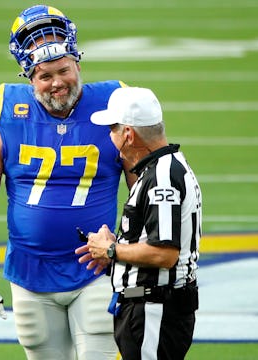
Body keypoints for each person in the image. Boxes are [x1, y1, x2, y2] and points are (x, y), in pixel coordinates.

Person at [0, 5, 133, 360]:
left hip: (97, 267)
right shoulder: (5, 110)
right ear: (28, 77)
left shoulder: (115, 104)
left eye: (63, 70)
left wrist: (129, 252)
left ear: (78, 64)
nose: (57, 83)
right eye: (45, 75)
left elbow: (142, 189)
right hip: (29, 271)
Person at [76, 87, 202, 360]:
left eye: (112, 129)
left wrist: (112, 250)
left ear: (128, 135)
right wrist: (118, 246)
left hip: (153, 310)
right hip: (151, 307)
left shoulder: (163, 177)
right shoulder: (161, 169)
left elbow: (164, 253)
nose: (109, 136)